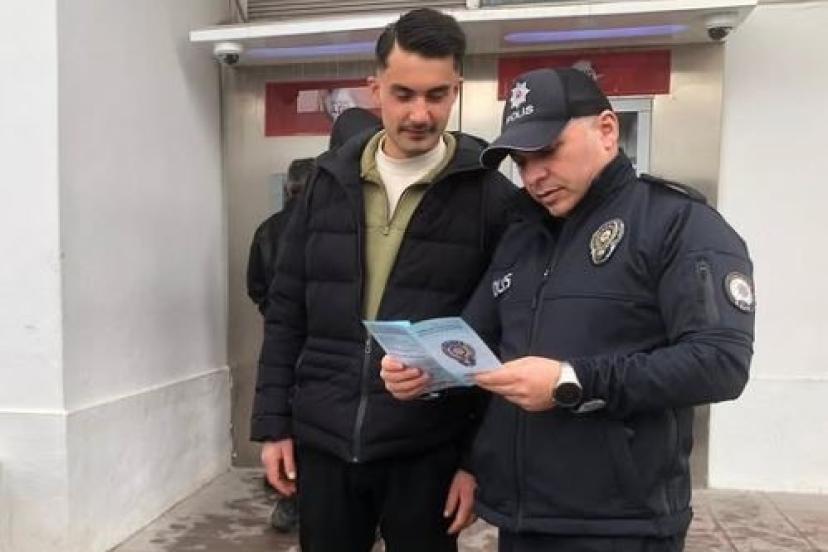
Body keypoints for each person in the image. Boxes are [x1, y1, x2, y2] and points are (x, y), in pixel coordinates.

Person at [381, 68, 755, 552]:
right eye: (522, 161)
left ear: (607, 130)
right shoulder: (522, 234)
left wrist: (571, 381)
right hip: (522, 518)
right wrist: (425, 371)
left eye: (548, 151)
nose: (533, 175)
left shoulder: (677, 223)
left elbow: (720, 364)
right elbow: (477, 342)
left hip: (622, 527)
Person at [250, 8, 516, 552]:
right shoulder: (327, 183)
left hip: (429, 451)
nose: (420, 113)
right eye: (403, 94)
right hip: (324, 442)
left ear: (457, 89)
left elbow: (505, 337)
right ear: (375, 88)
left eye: (437, 95)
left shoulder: (490, 197)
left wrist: (474, 461)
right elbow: (286, 311)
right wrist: (274, 424)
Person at [246, 157, 315, 315]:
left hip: (278, 318)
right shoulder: (330, 226)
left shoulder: (266, 230)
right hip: (320, 321)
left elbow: (255, 287)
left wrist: (272, 310)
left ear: (288, 188)